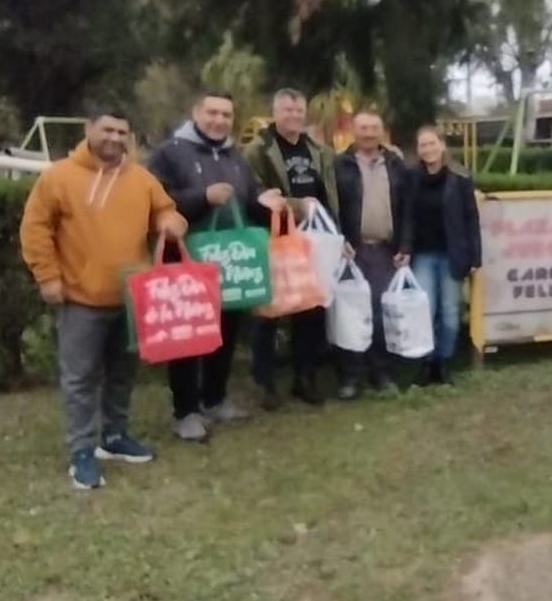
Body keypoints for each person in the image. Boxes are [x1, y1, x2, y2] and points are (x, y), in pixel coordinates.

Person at [20, 108, 188, 490]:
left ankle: (115, 437)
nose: (115, 137)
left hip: (132, 298)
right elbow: (35, 228)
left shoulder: (142, 179)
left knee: (122, 374)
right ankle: (82, 451)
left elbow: (165, 210)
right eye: (107, 129)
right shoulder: (59, 177)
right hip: (80, 297)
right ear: (88, 130)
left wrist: (171, 222)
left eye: (122, 132)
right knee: (80, 379)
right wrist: (47, 277)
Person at [148, 91, 281, 442]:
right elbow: (153, 199)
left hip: (230, 259)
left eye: (226, 115)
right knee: (189, 333)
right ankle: (186, 411)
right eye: (212, 113)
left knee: (225, 331)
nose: (219, 120)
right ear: (196, 113)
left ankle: (215, 398)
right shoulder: (170, 152)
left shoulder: (235, 155)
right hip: (188, 256)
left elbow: (247, 200)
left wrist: (269, 206)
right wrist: (201, 197)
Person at [242, 88, 340, 410]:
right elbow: (255, 196)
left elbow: (328, 194)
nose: (294, 117)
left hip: (311, 240)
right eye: (287, 111)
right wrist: (298, 205)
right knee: (268, 313)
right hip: (273, 240)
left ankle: (305, 377)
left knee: (310, 310)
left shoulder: (317, 149)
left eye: (298, 111)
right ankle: (266, 383)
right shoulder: (258, 149)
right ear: (275, 112)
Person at [334, 110, 413, 400]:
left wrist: (405, 246)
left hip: (385, 251)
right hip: (350, 252)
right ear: (354, 131)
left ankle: (382, 373)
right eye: (363, 128)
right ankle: (350, 377)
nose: (368, 134)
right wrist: (338, 241)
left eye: (374, 128)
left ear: (382, 132)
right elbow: (330, 206)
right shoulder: (339, 164)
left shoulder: (396, 165)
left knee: (381, 314)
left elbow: (407, 209)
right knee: (350, 315)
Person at [402, 125, 482, 385]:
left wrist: (475, 258)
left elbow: (471, 218)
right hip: (423, 254)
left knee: (449, 312)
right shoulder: (412, 177)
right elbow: (407, 217)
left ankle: (443, 362)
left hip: (451, 253)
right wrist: (404, 248)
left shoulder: (460, 177)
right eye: (423, 145)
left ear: (442, 145)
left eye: (432, 143)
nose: (428, 149)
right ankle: (426, 363)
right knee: (425, 310)